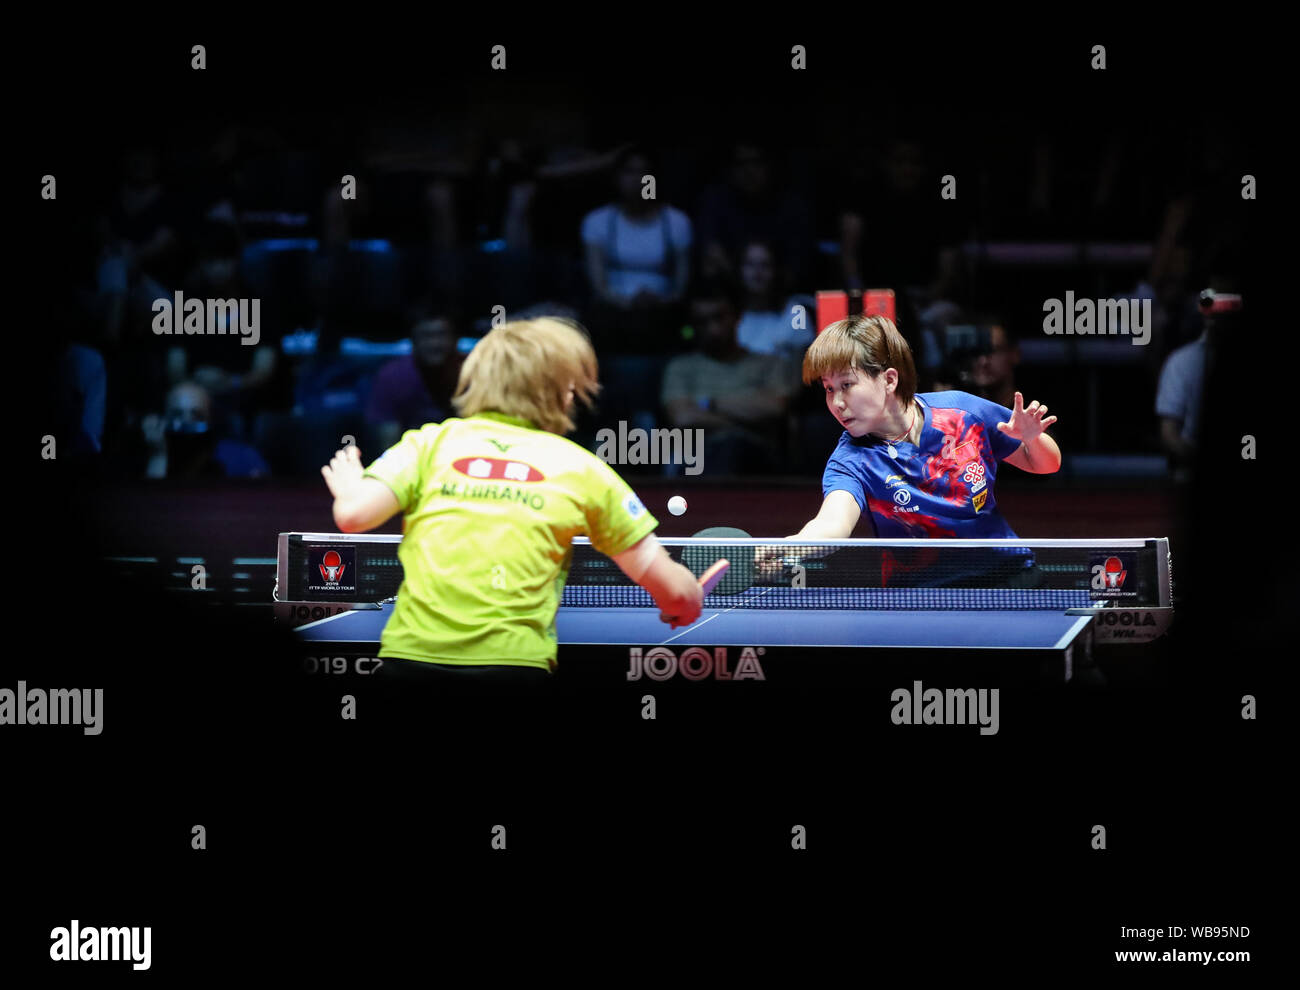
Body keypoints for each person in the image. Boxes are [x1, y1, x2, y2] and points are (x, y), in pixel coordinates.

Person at [319, 316, 703, 686]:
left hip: (410, 661)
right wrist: (685, 600)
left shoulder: (430, 443)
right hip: (514, 668)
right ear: (562, 391)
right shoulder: (582, 468)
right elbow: (675, 590)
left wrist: (351, 485)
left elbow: (353, 516)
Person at [762, 314, 1060, 562]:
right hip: (918, 596)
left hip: (1006, 576)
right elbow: (831, 526)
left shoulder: (963, 412)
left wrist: (1032, 438)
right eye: (828, 388)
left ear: (889, 379)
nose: (837, 402)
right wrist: (790, 546)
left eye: (847, 384)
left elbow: (1046, 465)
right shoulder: (851, 461)